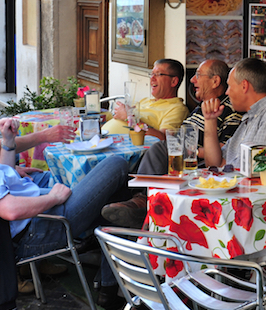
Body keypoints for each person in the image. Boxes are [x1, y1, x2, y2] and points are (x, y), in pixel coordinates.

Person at [0, 85, 130, 310]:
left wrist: (8, 141)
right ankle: (110, 285)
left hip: (32, 217)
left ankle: (108, 289)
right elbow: (10, 211)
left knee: (117, 202)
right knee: (117, 165)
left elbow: (1, 178)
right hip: (40, 229)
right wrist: (53, 198)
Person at [101, 59, 243, 227]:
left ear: (215, 81)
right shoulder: (201, 107)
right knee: (119, 177)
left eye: (198, 75)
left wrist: (192, 151)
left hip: (194, 165)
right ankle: (114, 221)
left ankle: (142, 204)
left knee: (158, 149)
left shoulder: (229, 110)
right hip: (174, 156)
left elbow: (225, 150)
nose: (192, 80)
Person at [202, 57, 266, 178]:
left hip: (259, 194)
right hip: (238, 188)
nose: (227, 92)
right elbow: (214, 164)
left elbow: (256, 173)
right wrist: (210, 121)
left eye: (230, 86)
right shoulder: (252, 117)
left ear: (244, 86)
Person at [102, 59, 189, 141]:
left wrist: (130, 118)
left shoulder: (177, 109)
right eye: (151, 74)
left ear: (173, 81)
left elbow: (163, 139)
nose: (152, 79)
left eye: (158, 74)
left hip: (126, 151)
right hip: (102, 141)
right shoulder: (146, 100)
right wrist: (97, 113)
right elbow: (119, 116)